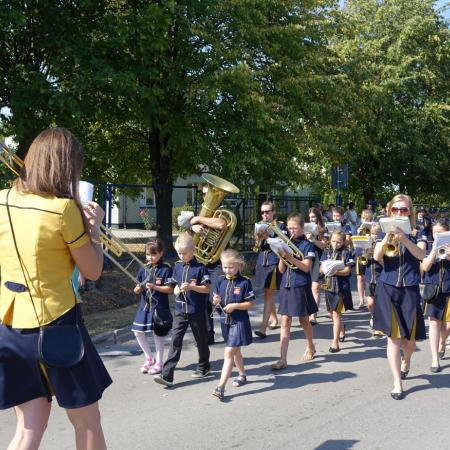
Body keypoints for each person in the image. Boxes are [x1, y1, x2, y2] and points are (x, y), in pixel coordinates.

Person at [0, 128, 111, 450]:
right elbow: (91, 270)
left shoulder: (2, 200)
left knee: (28, 426)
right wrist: (94, 230)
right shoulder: (63, 210)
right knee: (87, 422)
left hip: (10, 326)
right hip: (58, 325)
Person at [373, 194, 426, 400]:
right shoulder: (382, 232)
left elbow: (421, 256)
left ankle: (407, 360)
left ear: (410, 212)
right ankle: (397, 382)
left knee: (409, 342)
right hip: (387, 288)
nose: (399, 213)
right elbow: (377, 257)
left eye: (403, 210)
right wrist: (387, 237)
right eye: (395, 210)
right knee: (393, 339)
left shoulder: (418, 232)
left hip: (410, 288)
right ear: (389, 212)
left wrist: (404, 238)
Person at [154, 232, 211, 387]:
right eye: (179, 253)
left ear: (193, 251)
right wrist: (173, 288)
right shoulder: (177, 266)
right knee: (175, 340)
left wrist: (192, 286)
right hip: (180, 310)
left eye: (185, 253)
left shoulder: (200, 268)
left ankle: (204, 366)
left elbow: (207, 288)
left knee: (201, 340)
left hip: (196, 310)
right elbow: (171, 284)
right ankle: (167, 375)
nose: (182, 256)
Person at [270, 213, 317, 370]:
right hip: (287, 284)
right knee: (285, 321)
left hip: (300, 285)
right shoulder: (286, 242)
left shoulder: (307, 245)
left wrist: (289, 256)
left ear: (302, 228)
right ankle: (282, 358)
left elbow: (306, 267)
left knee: (304, 320)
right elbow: (281, 269)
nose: (292, 231)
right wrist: (282, 255)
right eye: (289, 228)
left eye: (295, 228)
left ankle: (311, 346)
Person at [211, 250, 255, 401]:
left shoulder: (244, 282)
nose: (227, 270)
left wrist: (235, 305)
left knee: (229, 352)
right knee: (236, 352)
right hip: (225, 322)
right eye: (224, 267)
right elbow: (217, 303)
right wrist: (216, 301)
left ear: (239, 265)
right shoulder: (220, 281)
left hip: (239, 322)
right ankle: (242, 375)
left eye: (231, 267)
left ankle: (220, 387)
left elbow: (250, 304)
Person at [190, 183, 227, 345]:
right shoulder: (205, 212)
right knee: (203, 301)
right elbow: (190, 234)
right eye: (204, 194)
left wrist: (198, 220)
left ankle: (230, 330)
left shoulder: (223, 212)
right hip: (201, 261)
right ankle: (208, 335)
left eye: (209, 193)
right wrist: (194, 227)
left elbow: (221, 224)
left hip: (216, 262)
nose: (206, 196)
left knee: (217, 299)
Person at [132, 239, 173, 375]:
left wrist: (155, 287)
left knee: (158, 334)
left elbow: (170, 289)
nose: (150, 257)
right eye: (148, 254)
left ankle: (160, 362)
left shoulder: (166, 269)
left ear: (161, 253)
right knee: (137, 332)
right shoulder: (143, 268)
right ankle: (149, 358)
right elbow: (137, 287)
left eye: (154, 254)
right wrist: (137, 289)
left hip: (159, 306)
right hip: (145, 305)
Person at [421, 220, 450, 373]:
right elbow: (424, 267)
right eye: (435, 233)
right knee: (434, 324)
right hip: (433, 289)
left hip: (449, 288)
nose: (437, 235)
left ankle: (443, 342)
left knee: (448, 325)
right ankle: (434, 359)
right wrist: (433, 250)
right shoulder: (427, 247)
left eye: (441, 232)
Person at [320, 230, 355, 353]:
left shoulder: (347, 253)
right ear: (330, 240)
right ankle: (341, 328)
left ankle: (335, 343)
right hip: (329, 287)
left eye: (339, 242)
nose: (336, 244)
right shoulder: (326, 252)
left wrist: (334, 271)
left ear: (343, 242)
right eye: (333, 241)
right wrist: (323, 270)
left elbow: (347, 271)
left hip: (341, 287)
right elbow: (321, 267)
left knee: (336, 314)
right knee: (331, 313)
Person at [253, 201, 283, 338]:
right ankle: (274, 319)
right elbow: (257, 247)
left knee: (269, 293)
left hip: (274, 261)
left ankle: (263, 328)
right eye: (263, 212)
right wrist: (258, 239)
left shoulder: (280, 226)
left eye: (267, 211)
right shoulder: (259, 225)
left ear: (273, 212)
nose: (265, 214)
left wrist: (268, 237)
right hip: (262, 261)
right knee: (266, 292)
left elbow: (281, 244)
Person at [306, 207, 328, 325]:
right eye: (310, 217)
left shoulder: (324, 229)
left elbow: (323, 246)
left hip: (318, 258)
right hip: (306, 258)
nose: (311, 219)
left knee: (315, 287)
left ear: (318, 217)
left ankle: (313, 315)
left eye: (313, 217)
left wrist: (313, 239)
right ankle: (307, 311)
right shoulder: (305, 228)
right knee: (307, 287)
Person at [365, 223, 383, 337]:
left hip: (380, 276)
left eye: (377, 234)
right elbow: (362, 262)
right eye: (372, 233)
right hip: (369, 277)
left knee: (380, 303)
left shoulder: (382, 245)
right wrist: (366, 251)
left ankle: (378, 325)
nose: (375, 236)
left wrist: (378, 253)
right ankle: (373, 316)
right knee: (371, 304)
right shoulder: (366, 245)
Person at [354, 209, 375, 309]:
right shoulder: (358, 227)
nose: (365, 220)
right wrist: (359, 233)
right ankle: (361, 300)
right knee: (360, 277)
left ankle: (370, 299)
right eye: (363, 218)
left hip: (370, 253)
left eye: (367, 219)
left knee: (369, 277)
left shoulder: (374, 228)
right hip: (360, 253)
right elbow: (353, 241)